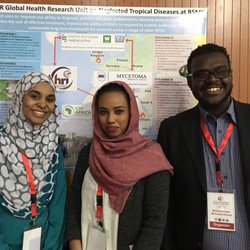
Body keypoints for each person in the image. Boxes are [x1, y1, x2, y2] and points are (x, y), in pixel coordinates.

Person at [158, 43, 250, 250]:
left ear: (231, 75)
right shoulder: (172, 131)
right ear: (190, 82)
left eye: (220, 71)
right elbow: (167, 204)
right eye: (202, 74)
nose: (213, 79)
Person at [65, 81, 172, 250]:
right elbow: (73, 207)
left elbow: (154, 223)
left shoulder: (152, 158)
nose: (110, 119)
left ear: (132, 113)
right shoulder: (88, 153)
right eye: (103, 112)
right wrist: (75, 245)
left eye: (119, 111)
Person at [0, 72, 66, 249]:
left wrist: (51, 247)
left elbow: (57, 208)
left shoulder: (52, 147)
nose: (43, 104)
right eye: (34, 96)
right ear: (20, 98)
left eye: (50, 99)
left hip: (44, 243)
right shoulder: (1, 143)